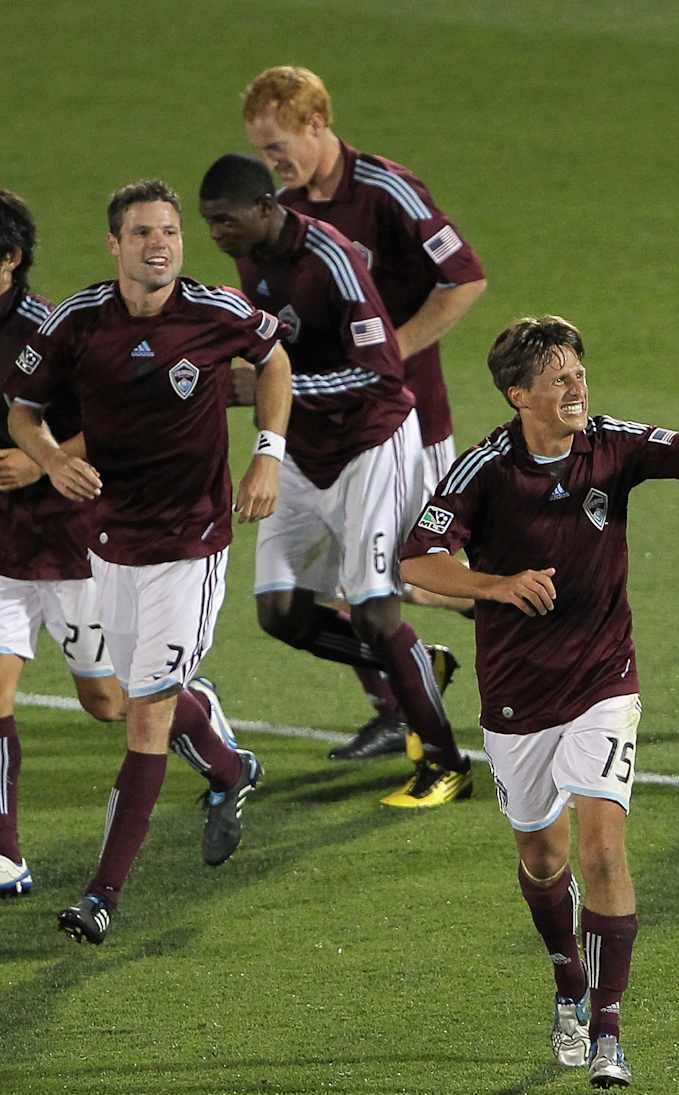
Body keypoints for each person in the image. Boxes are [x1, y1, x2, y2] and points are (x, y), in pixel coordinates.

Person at [398, 317, 679, 1087]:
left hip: (603, 681)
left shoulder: (613, 444)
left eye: (578, 371)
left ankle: (607, 1029)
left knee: (601, 849)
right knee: (543, 856)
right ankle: (568, 977)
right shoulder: (485, 468)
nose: (576, 386)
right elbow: (419, 562)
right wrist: (496, 585)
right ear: (518, 394)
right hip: (517, 697)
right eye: (558, 377)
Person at [4, 179, 292, 943]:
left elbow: (273, 360)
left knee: (149, 714)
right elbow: (23, 409)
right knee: (136, 696)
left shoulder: (214, 311)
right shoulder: (78, 320)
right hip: (109, 541)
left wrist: (268, 455)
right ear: (115, 244)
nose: (159, 243)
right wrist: (48, 461)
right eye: (142, 233)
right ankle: (231, 770)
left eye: (169, 231)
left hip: (190, 545)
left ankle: (102, 895)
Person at [198, 154, 471, 808]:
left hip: (369, 441)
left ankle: (447, 764)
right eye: (208, 223)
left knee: (378, 609)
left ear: (265, 207)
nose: (216, 235)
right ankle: (415, 671)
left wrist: (275, 385)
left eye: (225, 221)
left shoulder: (334, 259)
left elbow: (381, 374)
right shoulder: (249, 257)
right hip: (303, 444)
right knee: (279, 613)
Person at [242, 64, 486, 759]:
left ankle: (520, 627)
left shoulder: (384, 191)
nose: (272, 163)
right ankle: (399, 695)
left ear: (317, 123)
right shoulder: (281, 213)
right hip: (323, 429)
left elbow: (465, 277)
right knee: (357, 585)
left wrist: (392, 354)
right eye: (262, 151)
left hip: (404, 422)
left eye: (278, 145)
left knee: (415, 576)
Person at [0, 190, 126, 897]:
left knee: (107, 700)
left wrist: (42, 459)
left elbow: (121, 417)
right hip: (1, 549)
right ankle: (5, 852)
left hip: (70, 541)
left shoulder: (52, 331)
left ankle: (216, 749)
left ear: (11, 259)